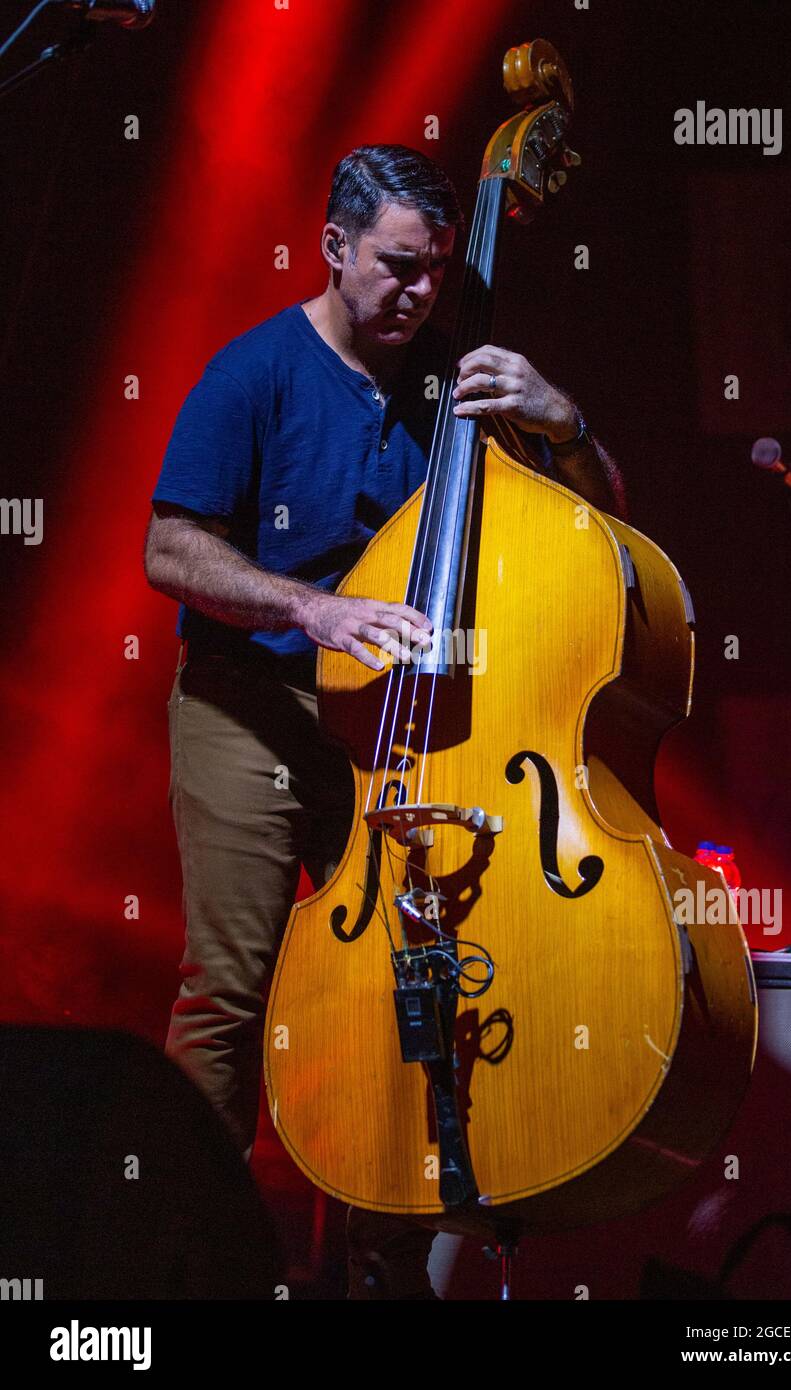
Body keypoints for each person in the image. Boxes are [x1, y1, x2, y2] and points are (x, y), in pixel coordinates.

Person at [144, 143, 627, 1299]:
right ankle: (181, 1260)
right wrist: (310, 603)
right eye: (397, 268)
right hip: (249, 701)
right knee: (234, 982)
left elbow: (605, 522)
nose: (420, 294)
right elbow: (169, 548)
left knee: (407, 981)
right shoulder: (254, 370)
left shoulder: (454, 377)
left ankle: (381, 1265)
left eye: (435, 270)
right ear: (333, 248)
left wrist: (560, 423)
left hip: (392, 718)